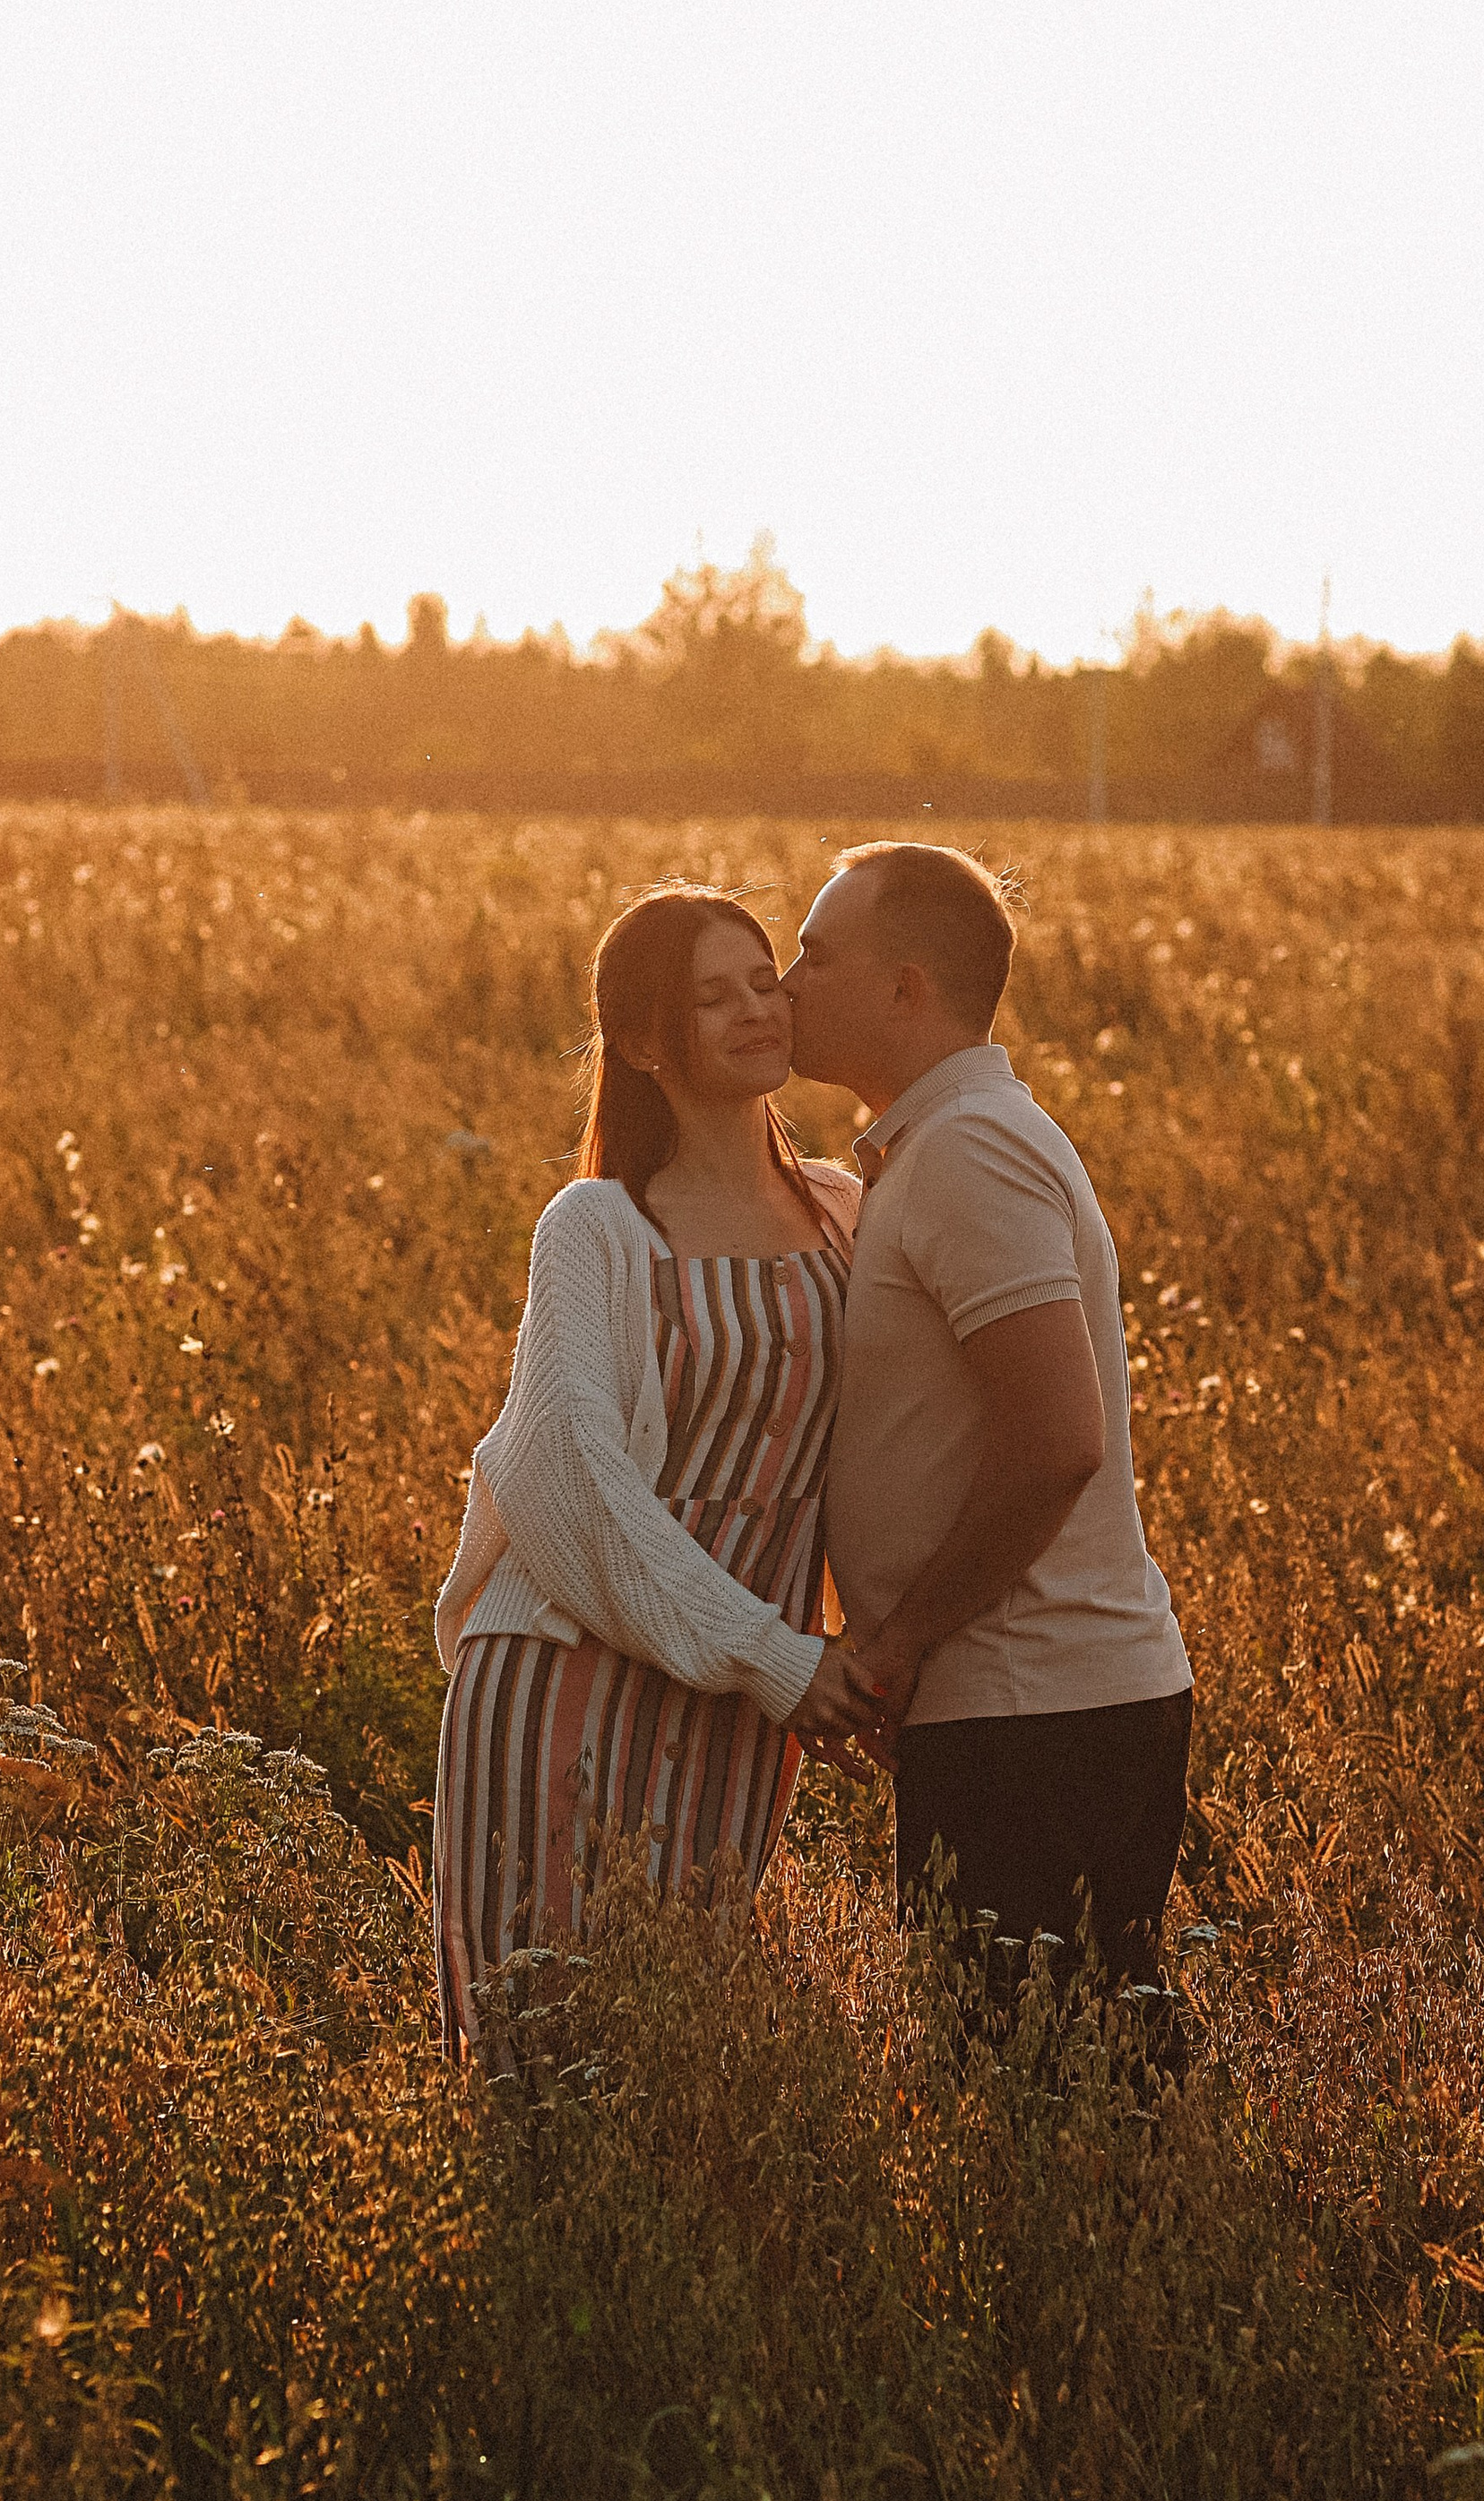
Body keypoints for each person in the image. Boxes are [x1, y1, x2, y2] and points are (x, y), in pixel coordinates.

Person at [432, 885, 881, 2059]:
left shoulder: (847, 1211)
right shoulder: (597, 1226)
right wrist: (780, 1654)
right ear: (639, 1042)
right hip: (561, 1686)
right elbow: (578, 1471)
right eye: (710, 995)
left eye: (762, 979)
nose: (754, 1008)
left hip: (735, 1705)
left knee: (685, 2065)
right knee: (542, 2071)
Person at [782, 841, 1194, 2024]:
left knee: (1045, 2089)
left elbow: (1058, 1437)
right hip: (1019, 1704)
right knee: (1052, 2077)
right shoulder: (935, 1150)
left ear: (905, 987)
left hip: (1038, 1710)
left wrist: (900, 1636)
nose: (788, 980)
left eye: (817, 953)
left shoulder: (970, 1150)